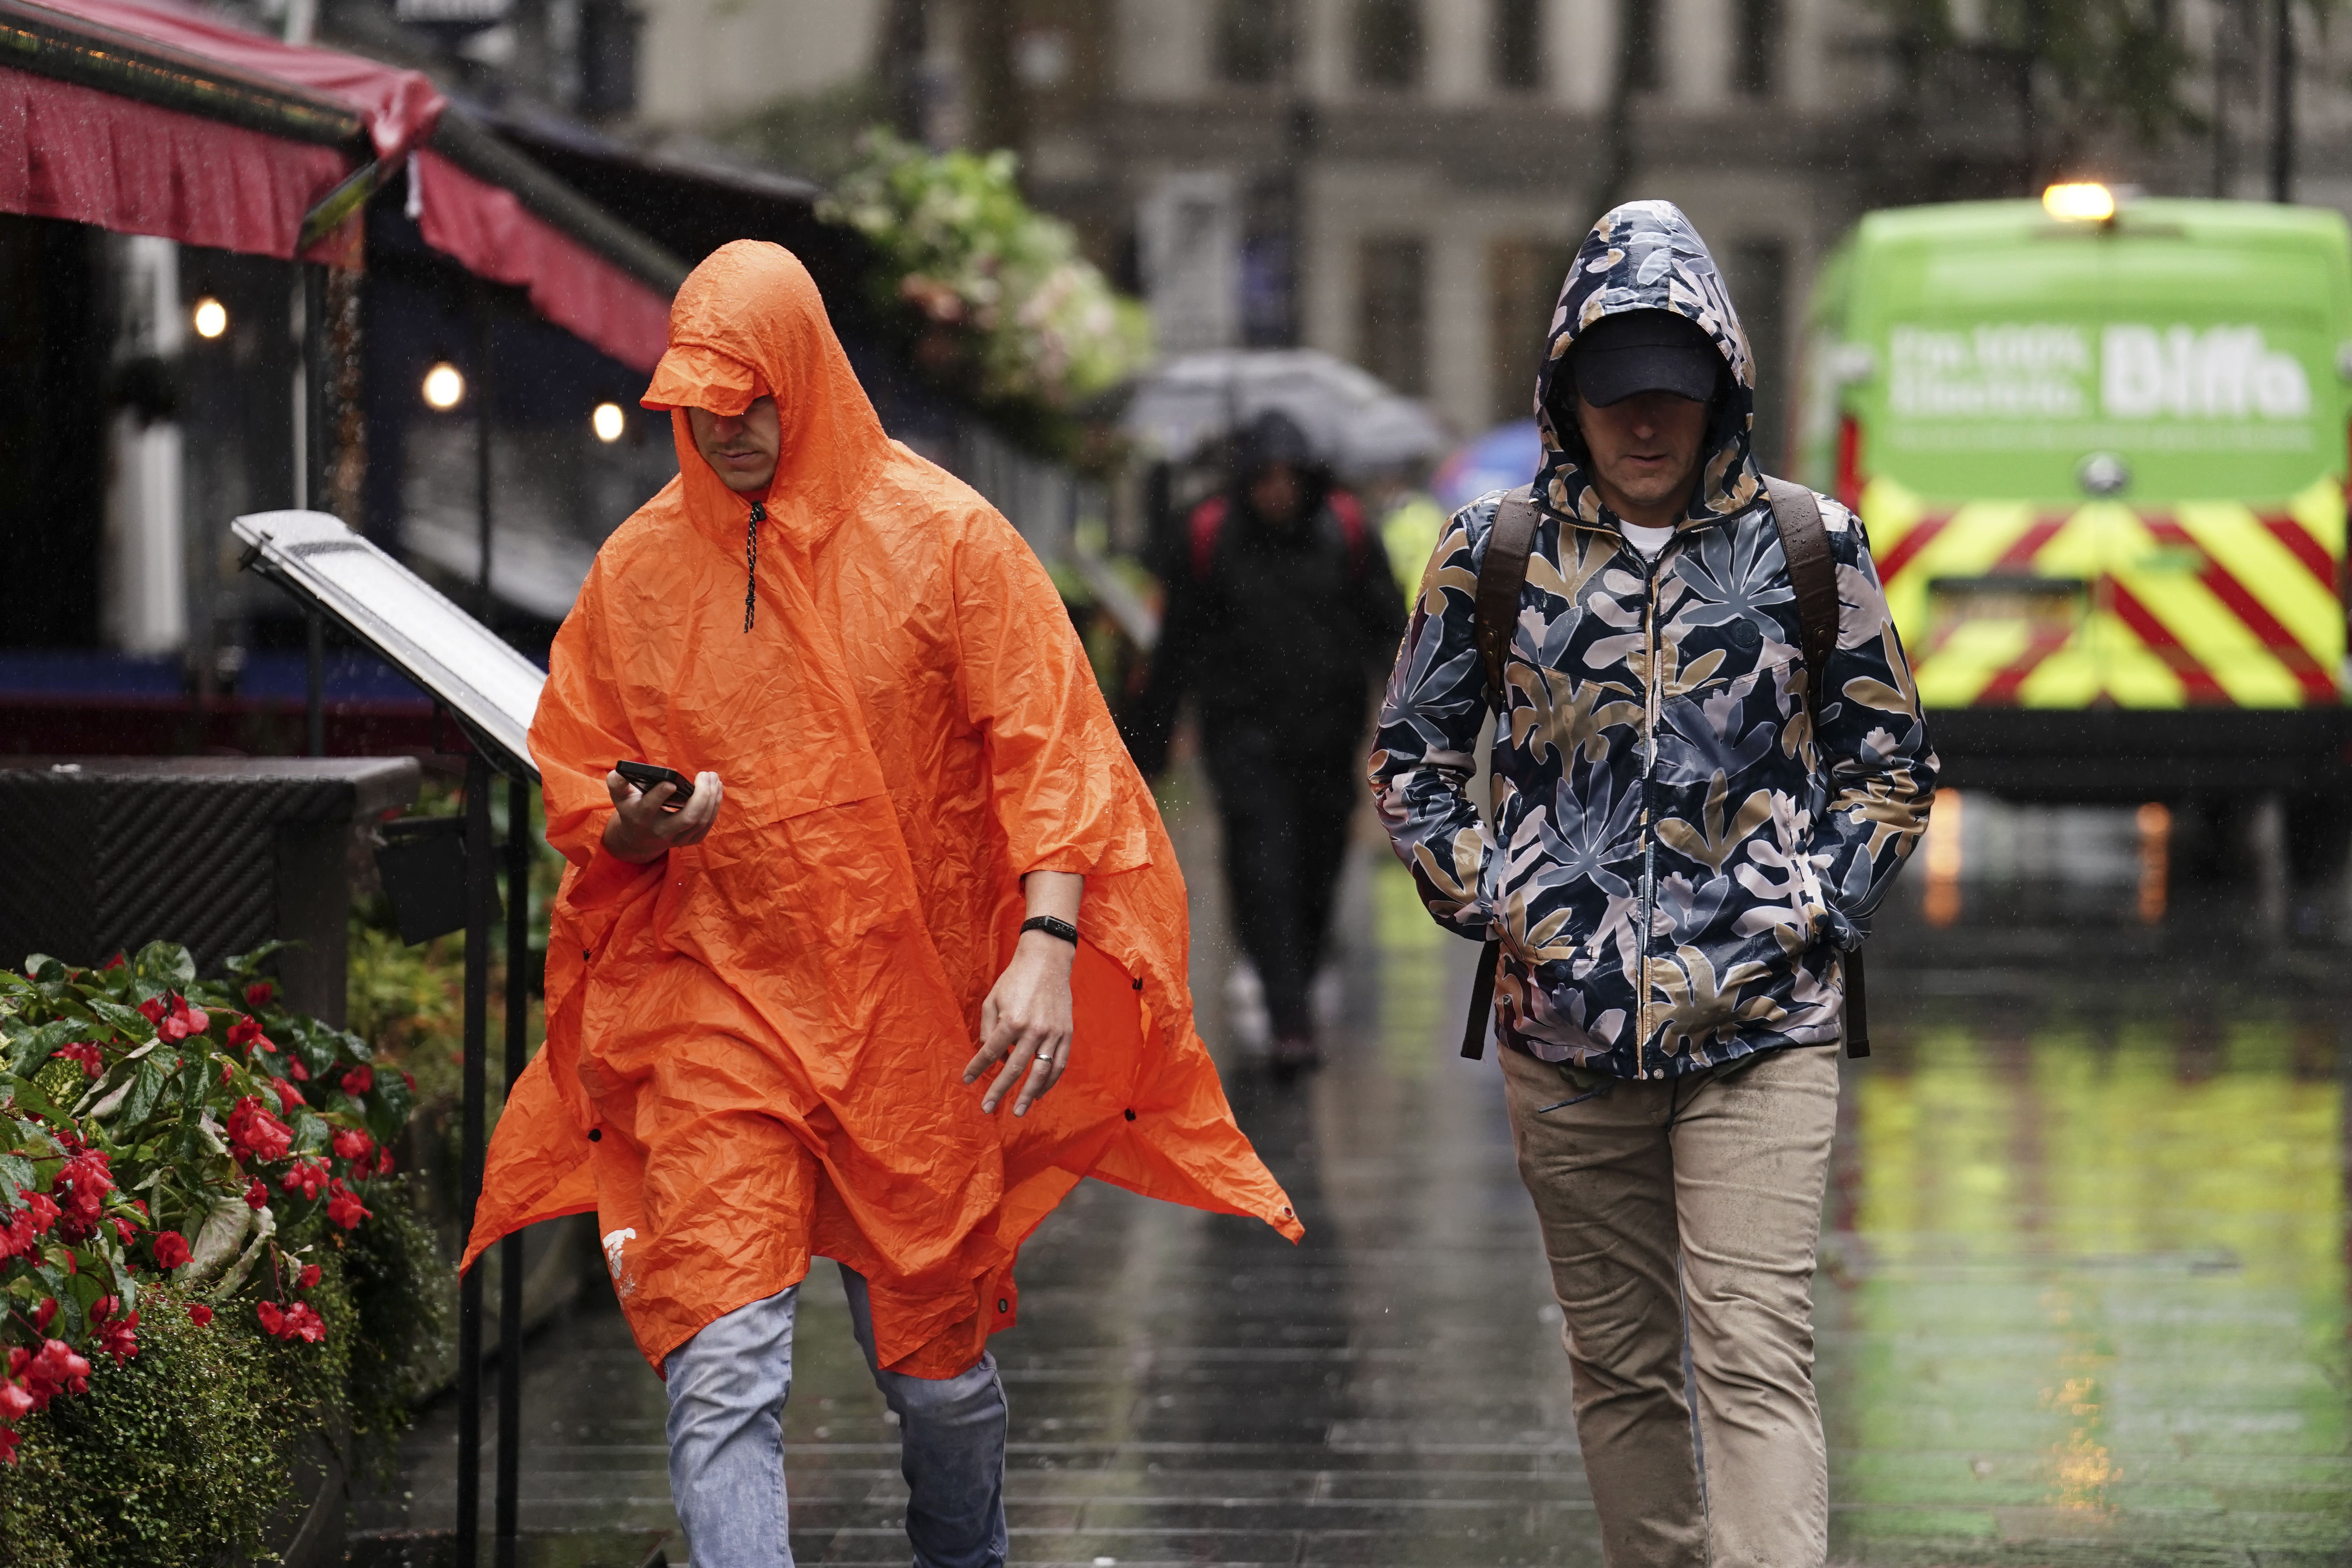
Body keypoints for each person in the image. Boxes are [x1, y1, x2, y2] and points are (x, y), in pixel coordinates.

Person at [463, 241, 1302, 1568]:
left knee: (935, 1379)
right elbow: (584, 765)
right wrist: (636, 822)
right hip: (716, 1003)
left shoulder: (948, 538)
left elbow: (1053, 743)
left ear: (806, 375)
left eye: (754, 396)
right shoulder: (637, 572)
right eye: (703, 401)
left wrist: (1046, 936)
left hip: (913, 1019)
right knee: (721, 1361)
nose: (728, 427)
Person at [1369, 201, 1936, 1566]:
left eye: (1670, 398)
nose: (1643, 425)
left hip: (1765, 1026)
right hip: (1562, 1038)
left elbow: (1891, 765)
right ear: (1567, 392)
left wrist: (1813, 904)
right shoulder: (1487, 553)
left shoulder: (1812, 546)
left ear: (1720, 395)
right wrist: (1497, 897)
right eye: (1614, 394)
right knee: (1620, 1365)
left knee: (1753, 1351)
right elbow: (1415, 755)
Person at [1122, 410, 1406, 1077]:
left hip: (1327, 738)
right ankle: (1289, 1019)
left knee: (1317, 868)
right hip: (1242, 739)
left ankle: (1295, 983)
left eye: (1290, 478)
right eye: (1266, 477)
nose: (1278, 491)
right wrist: (1148, 747)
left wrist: (1411, 728)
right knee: (1261, 866)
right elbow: (1175, 648)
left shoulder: (1347, 530)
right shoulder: (1208, 534)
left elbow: (1390, 631)